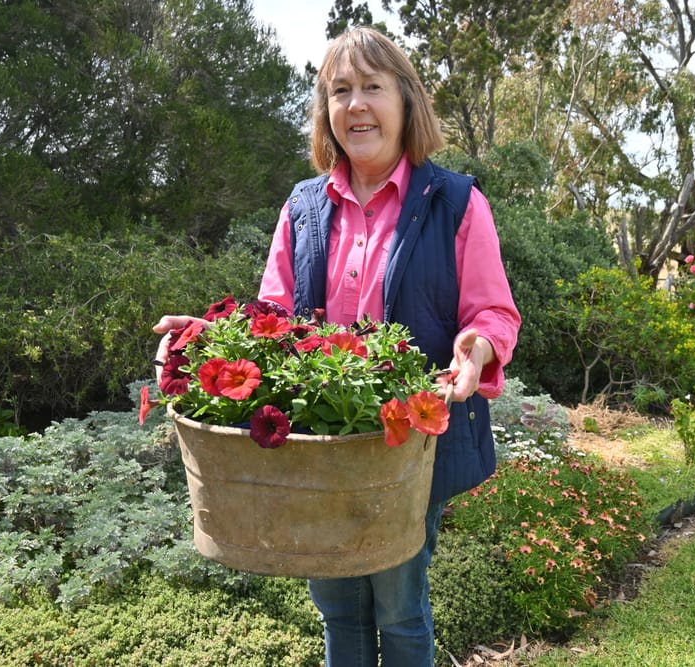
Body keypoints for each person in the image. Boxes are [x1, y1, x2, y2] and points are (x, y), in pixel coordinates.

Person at [156, 25, 520, 666]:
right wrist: (214, 336)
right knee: (338, 610)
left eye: (372, 88)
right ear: (326, 111)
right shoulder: (303, 206)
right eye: (339, 90)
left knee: (401, 605)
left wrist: (479, 347)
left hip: (406, 442)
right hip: (321, 442)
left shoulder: (457, 203)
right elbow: (273, 316)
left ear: (405, 101)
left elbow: (493, 311)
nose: (356, 105)